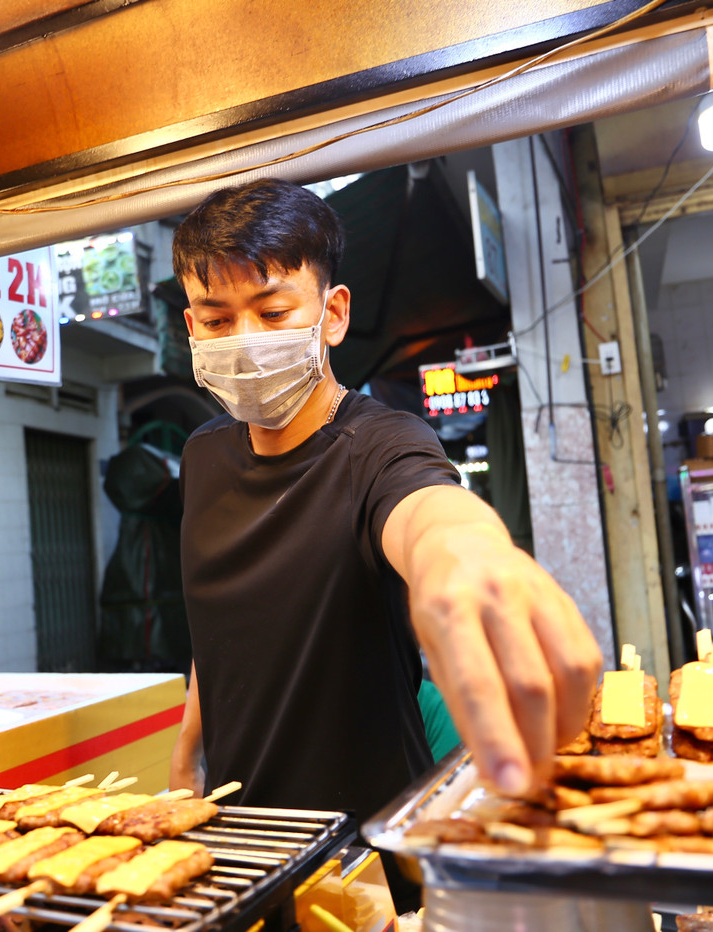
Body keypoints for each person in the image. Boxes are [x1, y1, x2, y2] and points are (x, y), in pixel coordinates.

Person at [167, 179, 602, 906]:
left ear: (332, 314)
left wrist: (470, 561)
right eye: (216, 321)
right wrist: (185, 768)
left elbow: (435, 520)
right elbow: (218, 634)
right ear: (191, 325)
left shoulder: (383, 444)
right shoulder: (202, 455)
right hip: (244, 842)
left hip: (368, 850)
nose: (244, 342)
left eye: (273, 312)